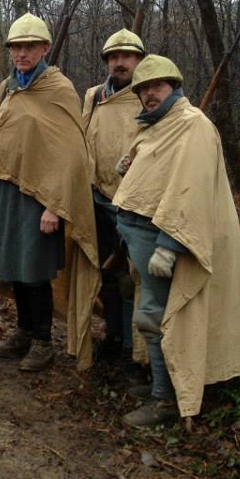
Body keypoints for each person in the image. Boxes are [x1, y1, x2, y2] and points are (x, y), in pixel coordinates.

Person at [113, 55, 240, 427]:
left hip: (164, 240)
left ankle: (166, 399)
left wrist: (168, 245)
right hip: (140, 236)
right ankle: (160, 385)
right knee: (151, 315)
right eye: (144, 88)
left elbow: (190, 190)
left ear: (174, 86)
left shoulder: (192, 124)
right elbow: (162, 172)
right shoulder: (157, 124)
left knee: (160, 317)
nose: (150, 94)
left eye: (157, 86)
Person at [0, 13, 99, 372]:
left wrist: (55, 205)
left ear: (45, 48)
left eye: (29, 47)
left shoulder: (58, 89)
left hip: (40, 197)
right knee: (13, 266)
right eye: (16, 47)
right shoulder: (9, 86)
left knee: (35, 269)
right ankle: (22, 331)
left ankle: (42, 341)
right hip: (7, 188)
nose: (21, 53)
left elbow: (71, 153)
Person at [83, 29, 145, 366]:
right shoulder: (93, 96)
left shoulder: (148, 96)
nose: (120, 63)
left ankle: (133, 352)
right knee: (104, 272)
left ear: (139, 60)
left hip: (133, 204)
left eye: (127, 57)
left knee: (129, 279)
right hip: (95, 198)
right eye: (114, 57)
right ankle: (113, 337)